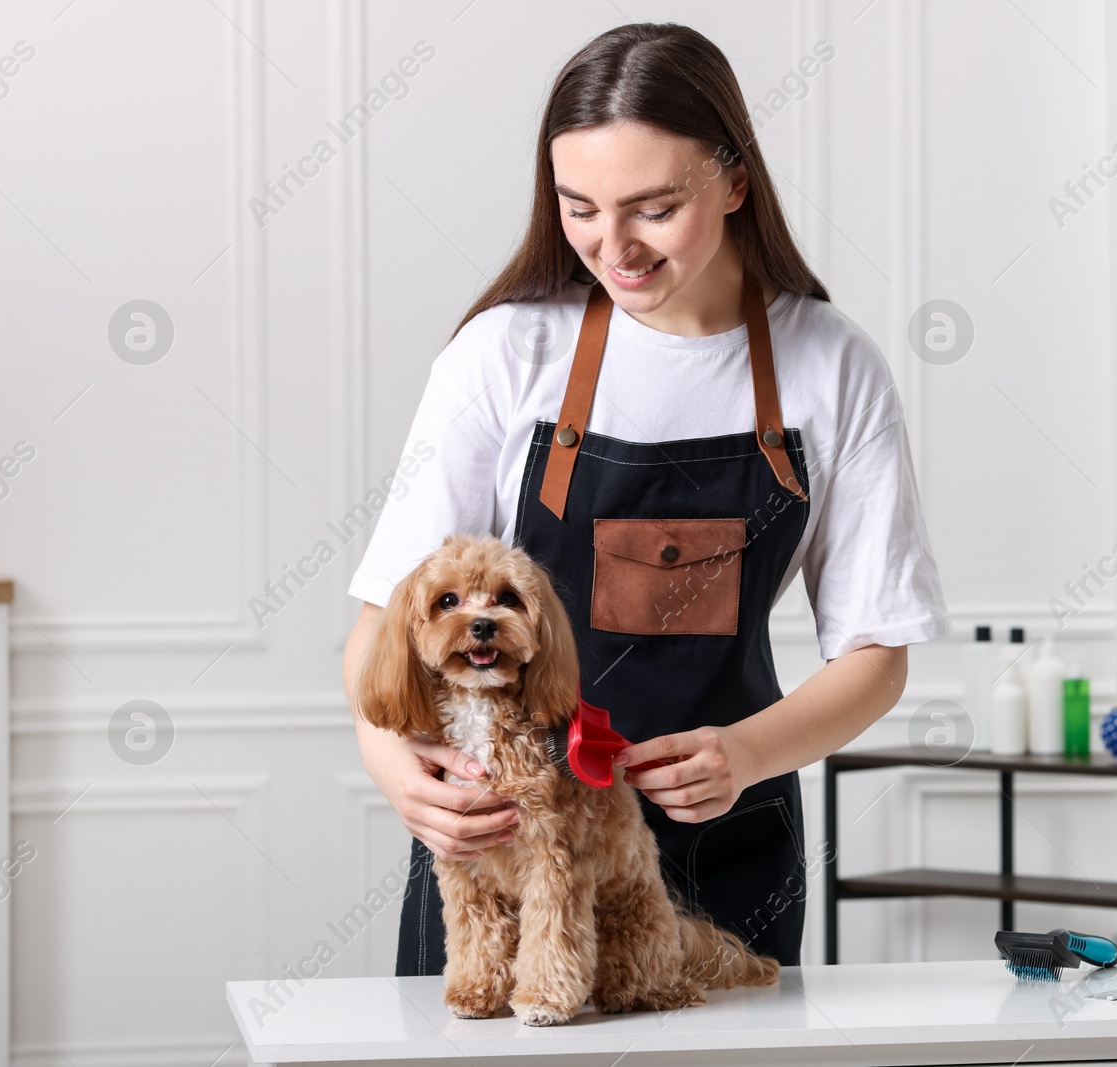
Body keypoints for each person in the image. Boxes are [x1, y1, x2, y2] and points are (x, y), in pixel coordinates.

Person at [341, 21, 949, 974]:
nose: (611, 245)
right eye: (578, 207)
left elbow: (875, 656)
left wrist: (741, 757)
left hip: (726, 847)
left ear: (736, 182)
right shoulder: (504, 356)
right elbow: (383, 627)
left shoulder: (832, 366)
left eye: (654, 207)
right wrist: (396, 771)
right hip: (508, 844)